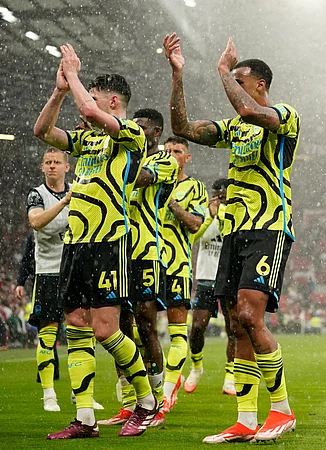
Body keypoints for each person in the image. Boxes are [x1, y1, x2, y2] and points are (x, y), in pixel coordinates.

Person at [164, 32, 300, 443]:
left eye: (239, 82)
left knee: (251, 317)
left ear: (260, 84)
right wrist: (178, 75)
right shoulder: (235, 129)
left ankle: (282, 411)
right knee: (237, 325)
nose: (231, 89)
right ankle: (245, 419)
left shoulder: (283, 115)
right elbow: (182, 127)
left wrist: (223, 69)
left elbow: (247, 108)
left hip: (268, 227)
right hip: (234, 232)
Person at [33, 45, 158, 438]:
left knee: (106, 330)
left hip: (108, 242)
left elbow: (88, 111)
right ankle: (85, 418)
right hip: (75, 243)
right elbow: (42, 132)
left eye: (94, 95)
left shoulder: (131, 134)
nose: (85, 102)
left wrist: (72, 75)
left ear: (113, 101)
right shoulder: (87, 141)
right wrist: (59, 91)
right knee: (74, 325)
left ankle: (146, 401)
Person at [99, 108, 180, 427]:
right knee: (119, 328)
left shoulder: (164, 161)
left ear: (156, 132)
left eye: (142, 127)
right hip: (118, 250)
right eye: (132, 126)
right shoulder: (123, 156)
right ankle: (129, 402)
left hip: (146, 251)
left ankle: (156, 401)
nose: (135, 131)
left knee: (146, 326)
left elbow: (139, 177)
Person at [158, 136, 207, 420]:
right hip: (147, 262)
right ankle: (139, 393)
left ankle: (167, 391)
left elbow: (196, 224)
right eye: (167, 151)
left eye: (177, 151)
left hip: (176, 265)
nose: (171, 155)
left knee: (177, 332)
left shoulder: (195, 187)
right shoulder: (150, 181)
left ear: (187, 158)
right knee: (140, 330)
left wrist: (173, 205)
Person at [24, 148, 71, 412]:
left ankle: (80, 394)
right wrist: (64, 203)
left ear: (67, 167)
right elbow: (37, 222)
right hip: (48, 273)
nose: (52, 166)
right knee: (48, 335)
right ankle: (49, 395)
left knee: (80, 333)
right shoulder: (36, 194)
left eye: (57, 162)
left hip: (73, 272)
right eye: (48, 162)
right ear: (42, 167)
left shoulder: (76, 191)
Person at [184, 178, 237, 396]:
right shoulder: (203, 213)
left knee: (233, 328)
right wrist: (209, 216)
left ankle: (230, 377)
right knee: (197, 328)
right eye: (218, 195)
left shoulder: (234, 214)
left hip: (228, 277)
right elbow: (193, 239)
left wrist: (221, 215)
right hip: (206, 277)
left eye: (224, 196)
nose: (220, 199)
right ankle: (196, 366)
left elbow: (230, 237)